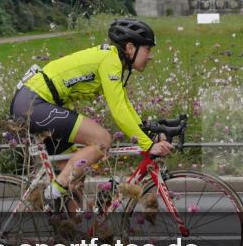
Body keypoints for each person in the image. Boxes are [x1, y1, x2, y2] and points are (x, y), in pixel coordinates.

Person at [10, 18, 174, 213]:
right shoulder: (110, 61)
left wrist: (147, 134)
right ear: (130, 48)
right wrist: (148, 145)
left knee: (75, 179)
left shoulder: (114, 62)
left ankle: (70, 235)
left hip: (37, 104)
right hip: (33, 104)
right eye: (148, 50)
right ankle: (51, 193)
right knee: (102, 140)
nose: (150, 56)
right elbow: (119, 110)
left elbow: (125, 104)